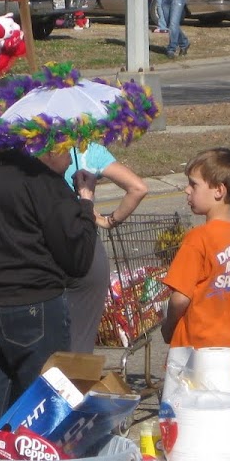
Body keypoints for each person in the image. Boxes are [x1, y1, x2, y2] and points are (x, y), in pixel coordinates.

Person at [0, 144, 98, 429]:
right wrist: (85, 202)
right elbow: (78, 258)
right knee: (38, 420)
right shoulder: (42, 181)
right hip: (32, 306)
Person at [160, 148, 230, 377]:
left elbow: (180, 298)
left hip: (197, 351)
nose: (187, 190)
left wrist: (168, 327)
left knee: (188, 412)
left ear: (219, 190)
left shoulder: (198, 238)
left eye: (194, 184)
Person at [64, 144, 148, 353]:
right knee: (80, 337)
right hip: (85, 247)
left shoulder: (34, 148)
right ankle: (73, 381)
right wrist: (110, 220)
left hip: (43, 249)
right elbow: (138, 188)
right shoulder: (89, 150)